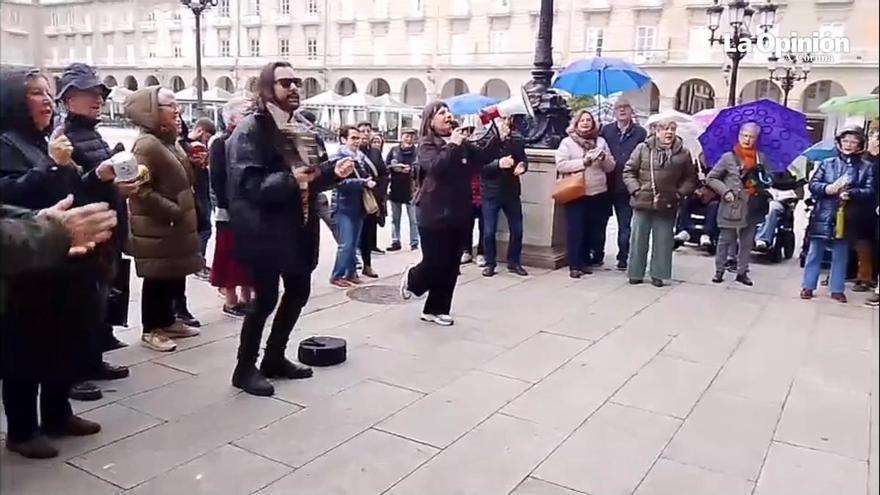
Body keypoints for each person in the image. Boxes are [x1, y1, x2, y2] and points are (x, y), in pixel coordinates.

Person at [0, 67, 115, 459]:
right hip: (27, 267)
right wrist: (49, 167)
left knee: (60, 342)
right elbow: (9, 195)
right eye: (35, 93)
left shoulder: (47, 139)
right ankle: (21, 429)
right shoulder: (6, 142)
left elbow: (72, 191)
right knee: (24, 348)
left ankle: (57, 412)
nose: (47, 100)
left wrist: (97, 176)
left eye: (48, 92)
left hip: (64, 262)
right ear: (14, 101)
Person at [226, 61, 353, 396]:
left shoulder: (304, 127)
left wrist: (332, 172)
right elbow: (246, 184)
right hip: (265, 231)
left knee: (298, 292)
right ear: (268, 88)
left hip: (300, 227)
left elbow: (312, 177)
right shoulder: (252, 129)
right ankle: (244, 367)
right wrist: (290, 179)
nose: (294, 88)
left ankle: (274, 357)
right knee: (264, 300)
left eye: (296, 82)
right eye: (285, 83)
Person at [56, 63, 133, 401]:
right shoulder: (64, 138)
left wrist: (120, 188)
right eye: (89, 94)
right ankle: (71, 373)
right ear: (68, 99)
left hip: (106, 229)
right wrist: (103, 180)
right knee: (78, 305)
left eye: (99, 93)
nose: (98, 99)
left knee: (99, 300)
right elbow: (69, 191)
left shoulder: (93, 133)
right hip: (85, 233)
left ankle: (92, 360)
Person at [400, 102, 496, 325]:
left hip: (459, 211)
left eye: (448, 112)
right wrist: (452, 145)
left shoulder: (461, 143)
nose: (447, 115)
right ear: (430, 120)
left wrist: (497, 130)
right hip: (432, 212)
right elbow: (436, 167)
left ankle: (436, 309)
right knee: (435, 261)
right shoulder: (426, 145)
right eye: (441, 112)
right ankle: (414, 279)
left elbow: (482, 156)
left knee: (452, 264)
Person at [124, 86, 203, 352]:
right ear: (153, 112)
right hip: (159, 225)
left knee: (173, 273)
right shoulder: (146, 145)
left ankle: (169, 321)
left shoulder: (169, 142)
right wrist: (173, 210)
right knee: (157, 277)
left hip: (173, 225)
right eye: (171, 106)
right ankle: (151, 328)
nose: (177, 111)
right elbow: (139, 188)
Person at [801, 127, 875, 303]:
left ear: (859, 145)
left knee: (841, 253)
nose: (849, 145)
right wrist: (828, 189)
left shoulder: (866, 167)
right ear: (840, 143)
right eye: (846, 141)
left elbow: (870, 191)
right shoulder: (827, 163)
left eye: (853, 142)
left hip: (848, 215)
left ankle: (837, 288)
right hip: (824, 213)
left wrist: (852, 193)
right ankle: (808, 286)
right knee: (815, 251)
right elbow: (814, 185)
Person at [623, 118, 698, 287]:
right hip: (643, 200)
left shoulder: (683, 153)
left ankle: (658, 274)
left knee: (663, 240)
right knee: (638, 238)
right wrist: (636, 190)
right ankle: (635, 272)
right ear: (656, 132)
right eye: (664, 129)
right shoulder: (643, 148)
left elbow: (690, 179)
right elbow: (629, 171)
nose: (668, 132)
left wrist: (679, 194)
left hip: (668, 202)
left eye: (672, 129)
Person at [707, 122, 772, 286]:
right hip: (733, 204)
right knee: (725, 238)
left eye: (751, 137)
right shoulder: (729, 157)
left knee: (747, 240)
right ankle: (719, 270)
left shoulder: (761, 157)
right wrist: (725, 191)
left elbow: (768, 179)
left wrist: (762, 180)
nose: (747, 140)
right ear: (739, 136)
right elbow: (711, 178)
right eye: (745, 136)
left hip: (752, 203)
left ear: (756, 139)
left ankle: (742, 271)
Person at [555, 109, 615, 278]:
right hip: (575, 190)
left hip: (596, 191)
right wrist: (584, 162)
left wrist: (604, 159)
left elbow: (611, 167)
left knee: (591, 229)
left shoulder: (601, 141)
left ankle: (584, 261)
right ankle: (574, 264)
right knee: (575, 229)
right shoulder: (567, 142)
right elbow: (561, 165)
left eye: (589, 120)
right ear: (576, 123)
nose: (586, 123)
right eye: (582, 120)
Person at [209, 98, 253, 317]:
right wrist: (228, 205)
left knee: (249, 256)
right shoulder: (221, 142)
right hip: (230, 211)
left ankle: (248, 296)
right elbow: (216, 179)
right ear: (233, 117)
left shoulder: (252, 140)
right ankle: (231, 301)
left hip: (252, 211)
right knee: (228, 256)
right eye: (246, 112)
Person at [600, 98, 648, 270]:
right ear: (614, 111)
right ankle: (597, 254)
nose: (622, 111)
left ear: (631, 111)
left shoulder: (640, 133)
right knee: (600, 222)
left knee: (625, 224)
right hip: (606, 183)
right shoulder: (606, 130)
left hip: (626, 185)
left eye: (625, 108)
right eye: (618, 108)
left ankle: (623, 257)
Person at [481, 116, 529, 277]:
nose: (505, 124)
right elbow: (480, 167)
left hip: (511, 192)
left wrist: (522, 166)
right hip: (491, 193)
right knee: (489, 231)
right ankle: (490, 263)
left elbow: (523, 159)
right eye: (501, 121)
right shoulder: (486, 141)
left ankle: (514, 262)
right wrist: (498, 163)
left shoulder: (516, 140)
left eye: (507, 121)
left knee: (517, 230)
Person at [330, 125, 376, 288]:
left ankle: (351, 273)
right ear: (343, 140)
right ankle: (337, 275)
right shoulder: (339, 157)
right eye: (353, 138)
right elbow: (340, 183)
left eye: (358, 138)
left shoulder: (360, 157)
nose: (357, 141)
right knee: (346, 244)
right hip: (343, 206)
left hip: (358, 206)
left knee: (354, 243)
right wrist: (363, 182)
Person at [179, 117, 216, 281]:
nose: (207, 140)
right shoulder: (186, 145)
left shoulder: (184, 144)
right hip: (196, 192)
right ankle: (197, 263)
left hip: (201, 191)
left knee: (203, 228)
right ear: (200, 131)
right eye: (207, 136)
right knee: (204, 228)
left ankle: (199, 262)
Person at [299, 109, 337, 242]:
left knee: (328, 225)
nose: (311, 126)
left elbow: (324, 163)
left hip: (314, 191)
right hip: (300, 192)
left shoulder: (315, 139)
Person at [357, 121, 388, 259]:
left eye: (368, 131)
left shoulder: (374, 152)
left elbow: (383, 172)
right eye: (362, 131)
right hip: (357, 193)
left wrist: (380, 190)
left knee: (371, 222)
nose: (365, 134)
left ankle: (370, 249)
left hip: (373, 193)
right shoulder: (352, 151)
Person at [853, 129, 879, 292]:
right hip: (862, 204)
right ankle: (864, 276)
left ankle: (870, 276)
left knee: (874, 242)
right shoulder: (862, 157)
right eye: (873, 137)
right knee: (862, 242)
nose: (875, 141)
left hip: (876, 203)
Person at [386, 127, 419, 251]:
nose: (409, 139)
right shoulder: (394, 151)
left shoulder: (417, 152)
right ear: (402, 137)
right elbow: (386, 166)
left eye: (411, 136)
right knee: (395, 218)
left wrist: (411, 169)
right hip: (395, 188)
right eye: (407, 136)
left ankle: (414, 242)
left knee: (413, 219)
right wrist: (395, 168)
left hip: (411, 190)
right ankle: (395, 241)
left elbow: (422, 167)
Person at [458, 125, 485, 266]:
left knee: (484, 226)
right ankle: (466, 250)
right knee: (467, 225)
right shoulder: (465, 150)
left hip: (483, 192)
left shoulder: (482, 151)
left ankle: (481, 252)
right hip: (468, 192)